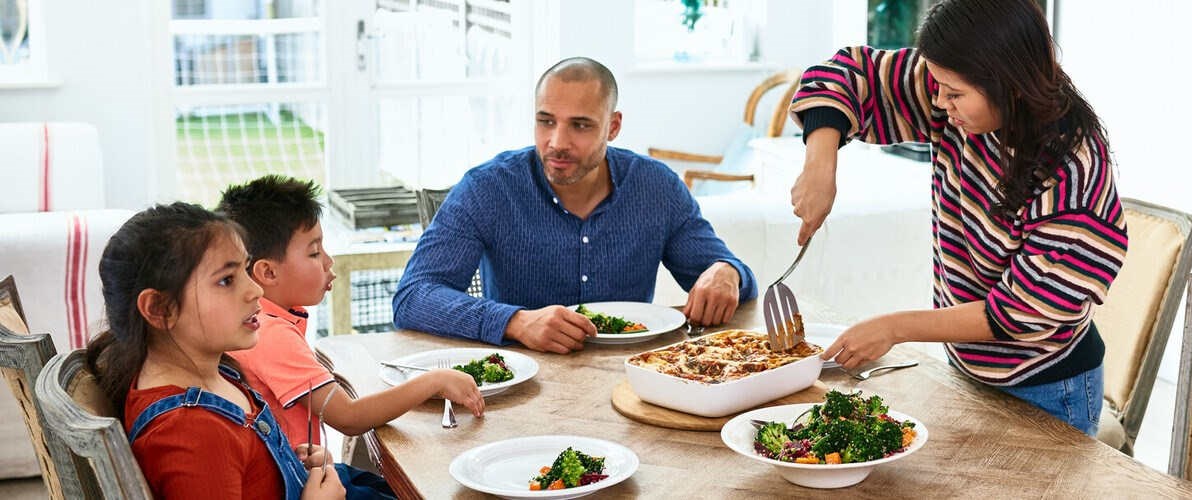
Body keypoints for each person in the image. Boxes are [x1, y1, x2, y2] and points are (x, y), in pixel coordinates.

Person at [789, 0, 1128, 435]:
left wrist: (893, 328)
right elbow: (844, 75)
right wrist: (821, 164)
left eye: (953, 93)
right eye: (936, 84)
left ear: (1011, 84)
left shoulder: (1073, 174)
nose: (938, 100)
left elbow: (1016, 312)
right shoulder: (954, 88)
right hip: (966, 368)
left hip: (1047, 386)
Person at [393, 57, 758, 354]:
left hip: (632, 380)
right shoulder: (487, 188)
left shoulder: (656, 187)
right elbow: (413, 297)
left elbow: (730, 278)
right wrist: (516, 322)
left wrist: (727, 272)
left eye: (580, 125)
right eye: (546, 121)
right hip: (522, 385)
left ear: (613, 127)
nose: (557, 142)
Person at [218, 175, 486, 499]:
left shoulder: (268, 321)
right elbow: (349, 417)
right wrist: (433, 381)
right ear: (268, 273)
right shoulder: (269, 334)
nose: (329, 263)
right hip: (298, 486)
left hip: (304, 469)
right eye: (315, 253)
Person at [84, 203, 344, 499]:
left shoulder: (218, 373)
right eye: (226, 280)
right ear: (159, 309)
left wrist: (290, 468)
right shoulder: (192, 433)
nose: (255, 290)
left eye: (245, 269)